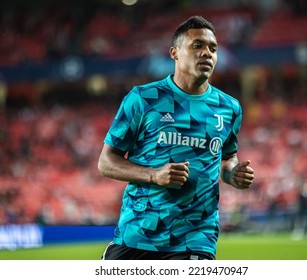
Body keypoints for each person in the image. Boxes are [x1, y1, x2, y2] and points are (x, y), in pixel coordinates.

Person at [98, 15, 254, 260]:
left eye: (213, 48)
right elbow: (106, 163)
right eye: (197, 46)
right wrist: (154, 175)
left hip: (195, 239)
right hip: (139, 233)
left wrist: (232, 173)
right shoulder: (143, 99)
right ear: (174, 53)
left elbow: (227, 159)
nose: (207, 53)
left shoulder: (229, 107)